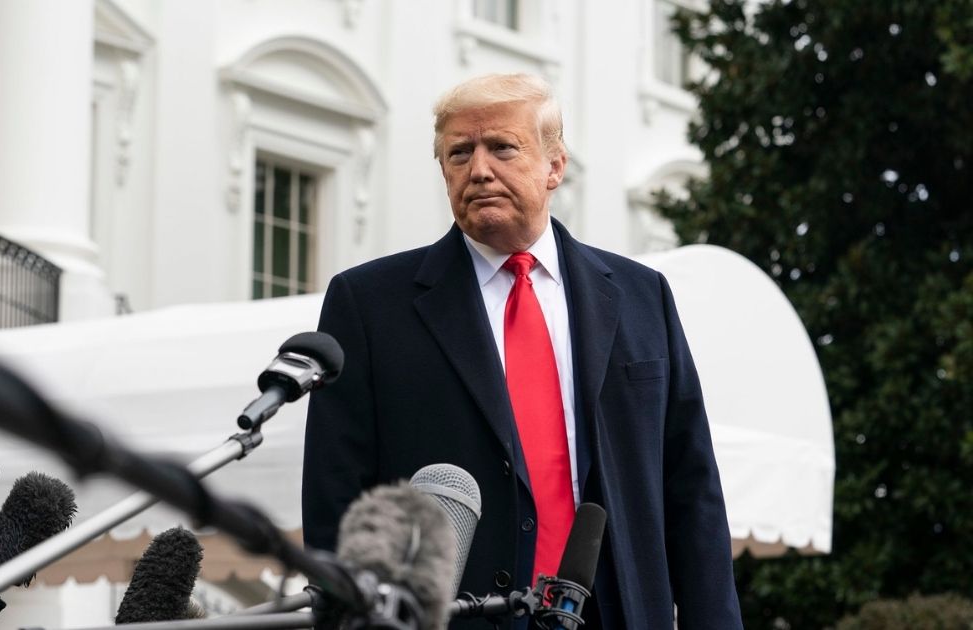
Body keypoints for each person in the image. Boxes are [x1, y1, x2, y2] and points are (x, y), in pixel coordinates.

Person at [301, 73, 742, 629]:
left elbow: (692, 491)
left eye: (502, 148)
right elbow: (335, 506)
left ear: (555, 165)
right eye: (459, 153)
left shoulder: (640, 296)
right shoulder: (368, 305)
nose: (479, 169)